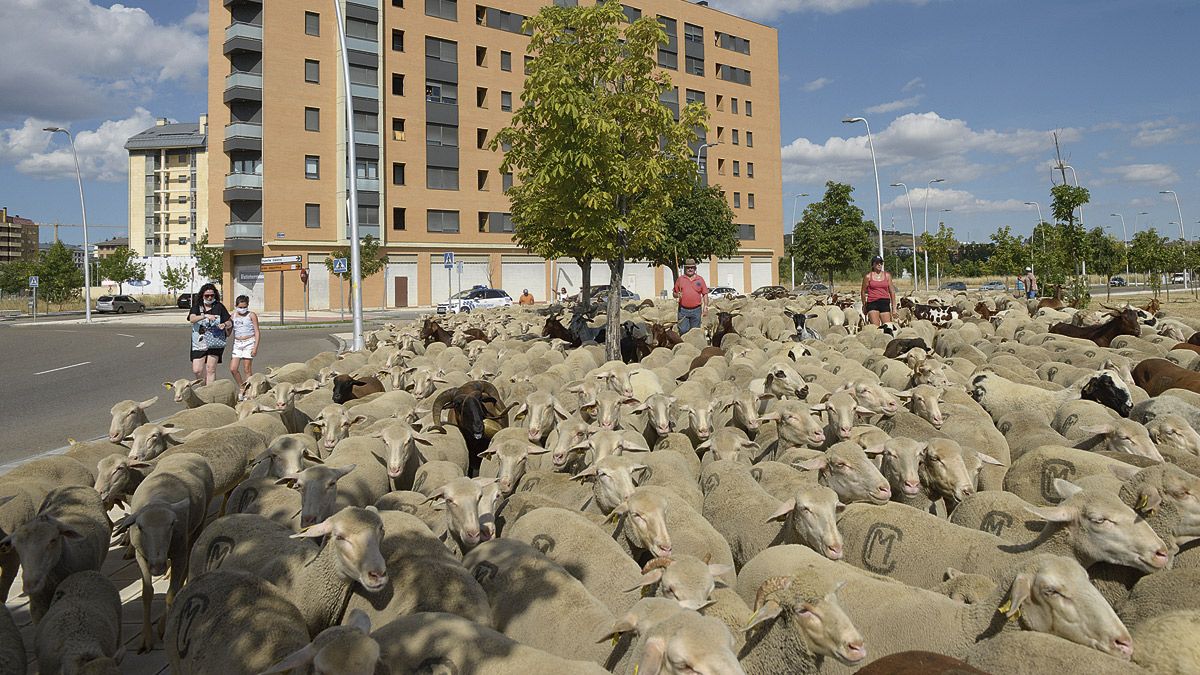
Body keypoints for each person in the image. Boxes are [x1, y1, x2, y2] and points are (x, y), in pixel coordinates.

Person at [188, 283, 232, 386]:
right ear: (202, 296)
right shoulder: (197, 307)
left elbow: (229, 321)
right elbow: (192, 319)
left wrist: (224, 324)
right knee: (197, 370)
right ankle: (203, 388)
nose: (209, 297)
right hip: (199, 343)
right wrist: (205, 316)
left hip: (215, 341)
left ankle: (210, 392)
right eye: (207, 295)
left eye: (212, 295)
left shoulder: (219, 306)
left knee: (210, 369)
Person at [229, 295, 260, 396]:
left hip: (249, 342)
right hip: (237, 343)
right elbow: (229, 330)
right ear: (236, 306)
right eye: (240, 307)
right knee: (233, 368)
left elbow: (257, 331)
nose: (242, 309)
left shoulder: (251, 315)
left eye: (244, 307)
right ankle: (242, 386)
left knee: (247, 368)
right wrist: (225, 326)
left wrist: (255, 347)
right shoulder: (233, 316)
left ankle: (249, 391)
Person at [673, 258, 709, 335]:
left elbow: (705, 293)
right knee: (683, 330)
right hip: (683, 310)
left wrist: (706, 306)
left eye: (692, 267)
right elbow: (674, 293)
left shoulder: (700, 279)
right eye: (688, 267)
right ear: (685, 268)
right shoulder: (680, 279)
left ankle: (693, 346)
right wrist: (677, 295)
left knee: (695, 332)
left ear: (695, 268)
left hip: (696, 310)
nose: (690, 269)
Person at [860, 255, 896, 326]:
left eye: (881, 263)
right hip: (872, 303)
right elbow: (863, 291)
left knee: (888, 326)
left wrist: (894, 308)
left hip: (884, 302)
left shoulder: (887, 276)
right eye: (877, 263)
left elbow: (892, 291)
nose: (879, 264)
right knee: (875, 328)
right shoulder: (868, 277)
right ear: (873, 265)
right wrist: (864, 305)